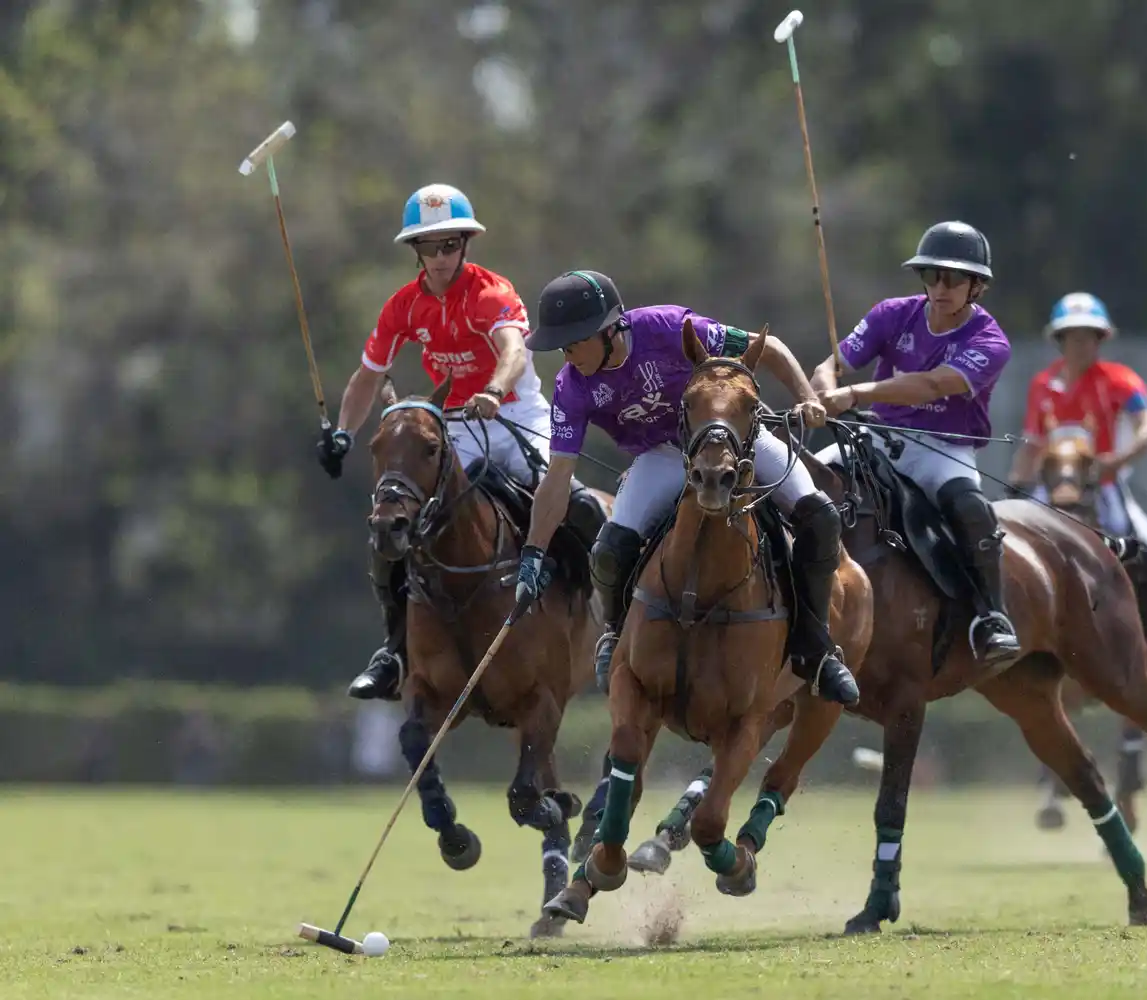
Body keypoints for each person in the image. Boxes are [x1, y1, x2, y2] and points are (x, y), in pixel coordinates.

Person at [513, 269, 861, 706]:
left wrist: (806, 395)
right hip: (662, 456)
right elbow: (558, 476)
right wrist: (532, 552)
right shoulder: (571, 387)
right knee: (610, 548)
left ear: (610, 330)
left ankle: (817, 649)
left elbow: (767, 347)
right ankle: (616, 634)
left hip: (733, 444)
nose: (567, 353)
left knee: (821, 516)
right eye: (561, 344)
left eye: (575, 340)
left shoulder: (668, 328)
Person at [316, 183, 554, 701]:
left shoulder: (491, 293)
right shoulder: (403, 307)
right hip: (457, 426)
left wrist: (494, 388)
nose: (441, 256)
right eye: (430, 246)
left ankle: (600, 627)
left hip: (517, 414)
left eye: (450, 244)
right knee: (399, 515)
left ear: (465, 244)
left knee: (570, 501)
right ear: (416, 252)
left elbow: (513, 351)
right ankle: (394, 649)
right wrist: (342, 433)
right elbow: (368, 375)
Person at [811, 221, 1022, 668]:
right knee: (801, 481)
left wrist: (854, 395)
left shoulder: (990, 341)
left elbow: (929, 386)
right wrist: (825, 391)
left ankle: (992, 617)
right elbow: (832, 364)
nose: (940, 288)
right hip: (876, 435)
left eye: (953, 278)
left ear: (976, 286)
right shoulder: (892, 313)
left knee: (971, 509)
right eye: (931, 276)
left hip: (942, 449)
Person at [1008, 291, 1147, 675]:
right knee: (1006, 546)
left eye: (1088, 336)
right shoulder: (1042, 385)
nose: (1080, 344)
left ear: (1101, 339)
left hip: (1103, 487)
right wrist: (1016, 484)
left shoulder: (1120, 381)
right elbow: (1032, 443)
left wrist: (1116, 462)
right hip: (1050, 487)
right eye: (1072, 335)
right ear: (1059, 340)